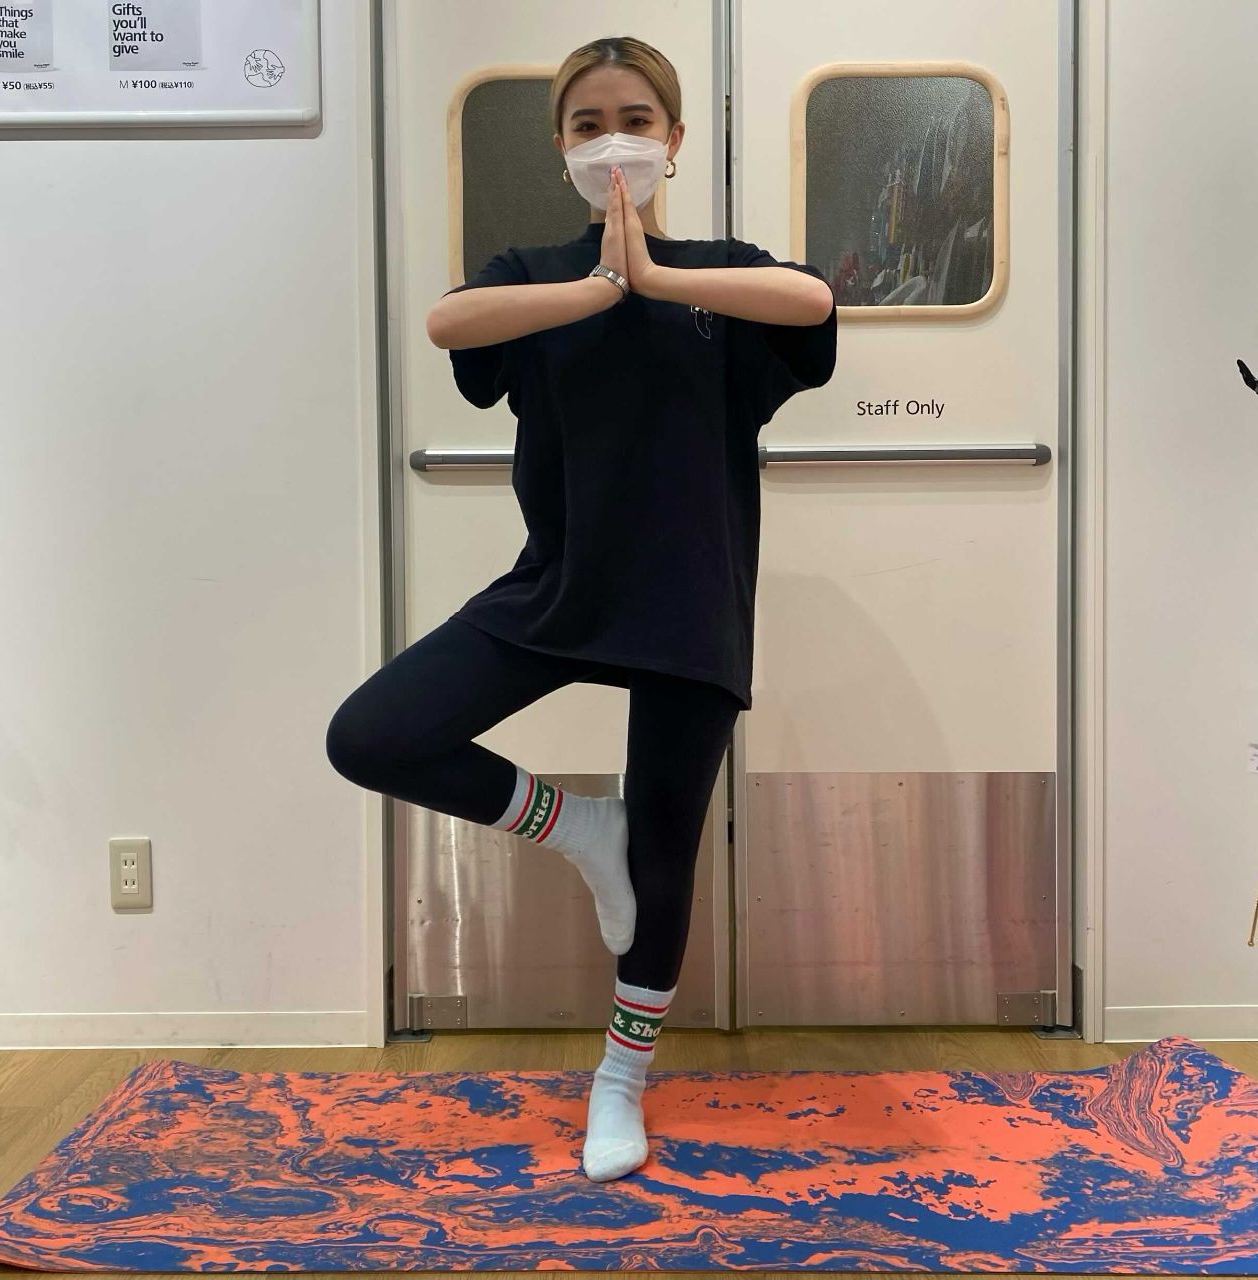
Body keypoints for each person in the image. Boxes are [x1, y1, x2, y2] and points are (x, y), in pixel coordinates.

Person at [326, 35, 837, 1183]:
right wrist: (601, 286)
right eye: (587, 122)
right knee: (373, 733)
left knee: (663, 849)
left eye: (636, 119)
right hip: (559, 583)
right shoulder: (530, 275)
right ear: (557, 143)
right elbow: (448, 325)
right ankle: (576, 828)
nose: (614, 141)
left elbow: (809, 301)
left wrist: (655, 278)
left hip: (689, 595)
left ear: (675, 137)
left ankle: (619, 1079)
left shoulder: (721, 275)